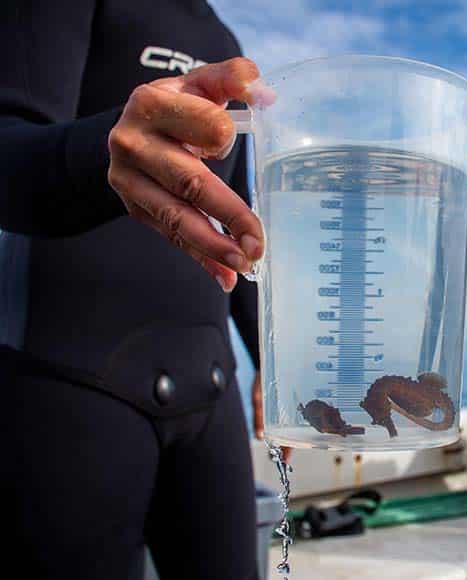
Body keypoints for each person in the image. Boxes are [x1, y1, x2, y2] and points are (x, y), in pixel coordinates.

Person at [0, 1, 274, 578]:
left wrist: (268, 356)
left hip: (211, 384)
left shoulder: (223, 36)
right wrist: (104, 149)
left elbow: (240, 222)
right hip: (70, 377)